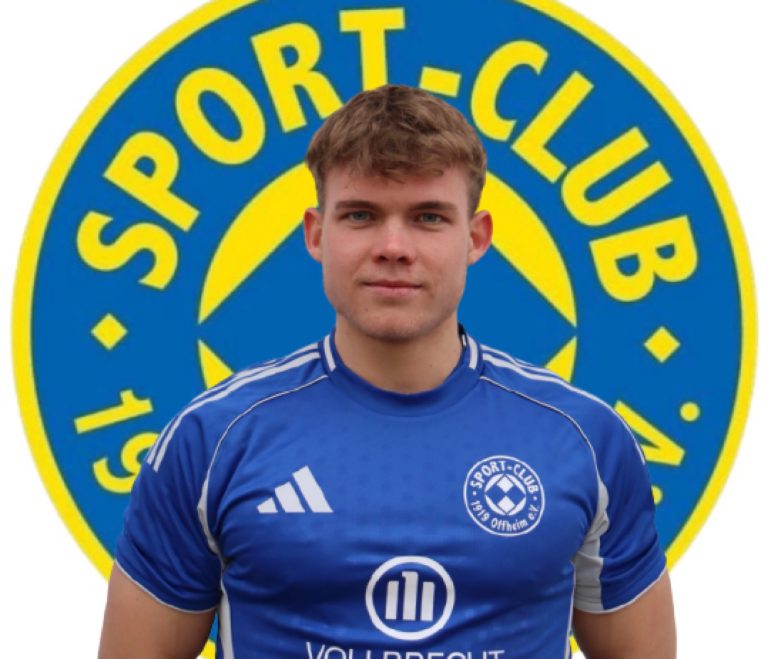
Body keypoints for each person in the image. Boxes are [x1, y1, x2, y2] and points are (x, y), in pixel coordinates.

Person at [99, 84, 675, 658]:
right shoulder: (212, 439)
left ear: (476, 238)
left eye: (428, 217)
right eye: (361, 215)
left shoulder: (585, 439)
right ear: (316, 234)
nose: (393, 247)